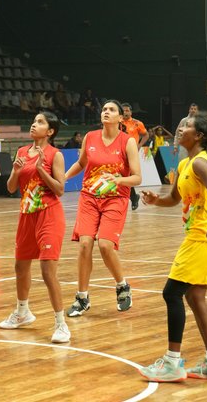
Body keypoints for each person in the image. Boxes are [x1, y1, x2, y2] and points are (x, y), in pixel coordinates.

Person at [138, 111, 207, 382]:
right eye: (180, 125)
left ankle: (172, 363)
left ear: (199, 136)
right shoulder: (184, 164)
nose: (180, 130)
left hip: (205, 237)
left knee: (171, 293)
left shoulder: (202, 163)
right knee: (194, 297)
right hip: (200, 236)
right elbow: (173, 199)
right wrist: (155, 200)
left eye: (187, 126)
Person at [0, 112, 70, 344]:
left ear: (50, 132)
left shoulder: (54, 155)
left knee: (48, 271)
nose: (34, 124)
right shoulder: (20, 152)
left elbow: (59, 190)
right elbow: (10, 189)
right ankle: (22, 312)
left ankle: (61, 324)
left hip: (49, 214)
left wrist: (41, 170)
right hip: (26, 214)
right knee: (20, 267)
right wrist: (16, 172)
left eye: (40, 122)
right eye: (34, 121)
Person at [64, 100, 141, 317]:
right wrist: (63, 177)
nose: (106, 112)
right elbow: (81, 163)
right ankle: (82, 296)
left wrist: (118, 180)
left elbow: (137, 177)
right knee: (85, 244)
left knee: (106, 245)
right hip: (89, 197)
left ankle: (122, 285)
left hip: (115, 198)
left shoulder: (128, 142)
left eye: (112, 110)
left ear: (120, 118)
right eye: (104, 109)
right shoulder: (90, 137)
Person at [122, 103, 148, 211]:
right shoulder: (118, 123)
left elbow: (146, 135)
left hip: (132, 153)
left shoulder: (137, 123)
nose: (125, 112)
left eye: (127, 110)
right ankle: (133, 197)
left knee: (128, 175)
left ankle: (132, 197)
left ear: (131, 112)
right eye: (123, 110)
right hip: (120, 152)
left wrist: (139, 145)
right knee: (123, 175)